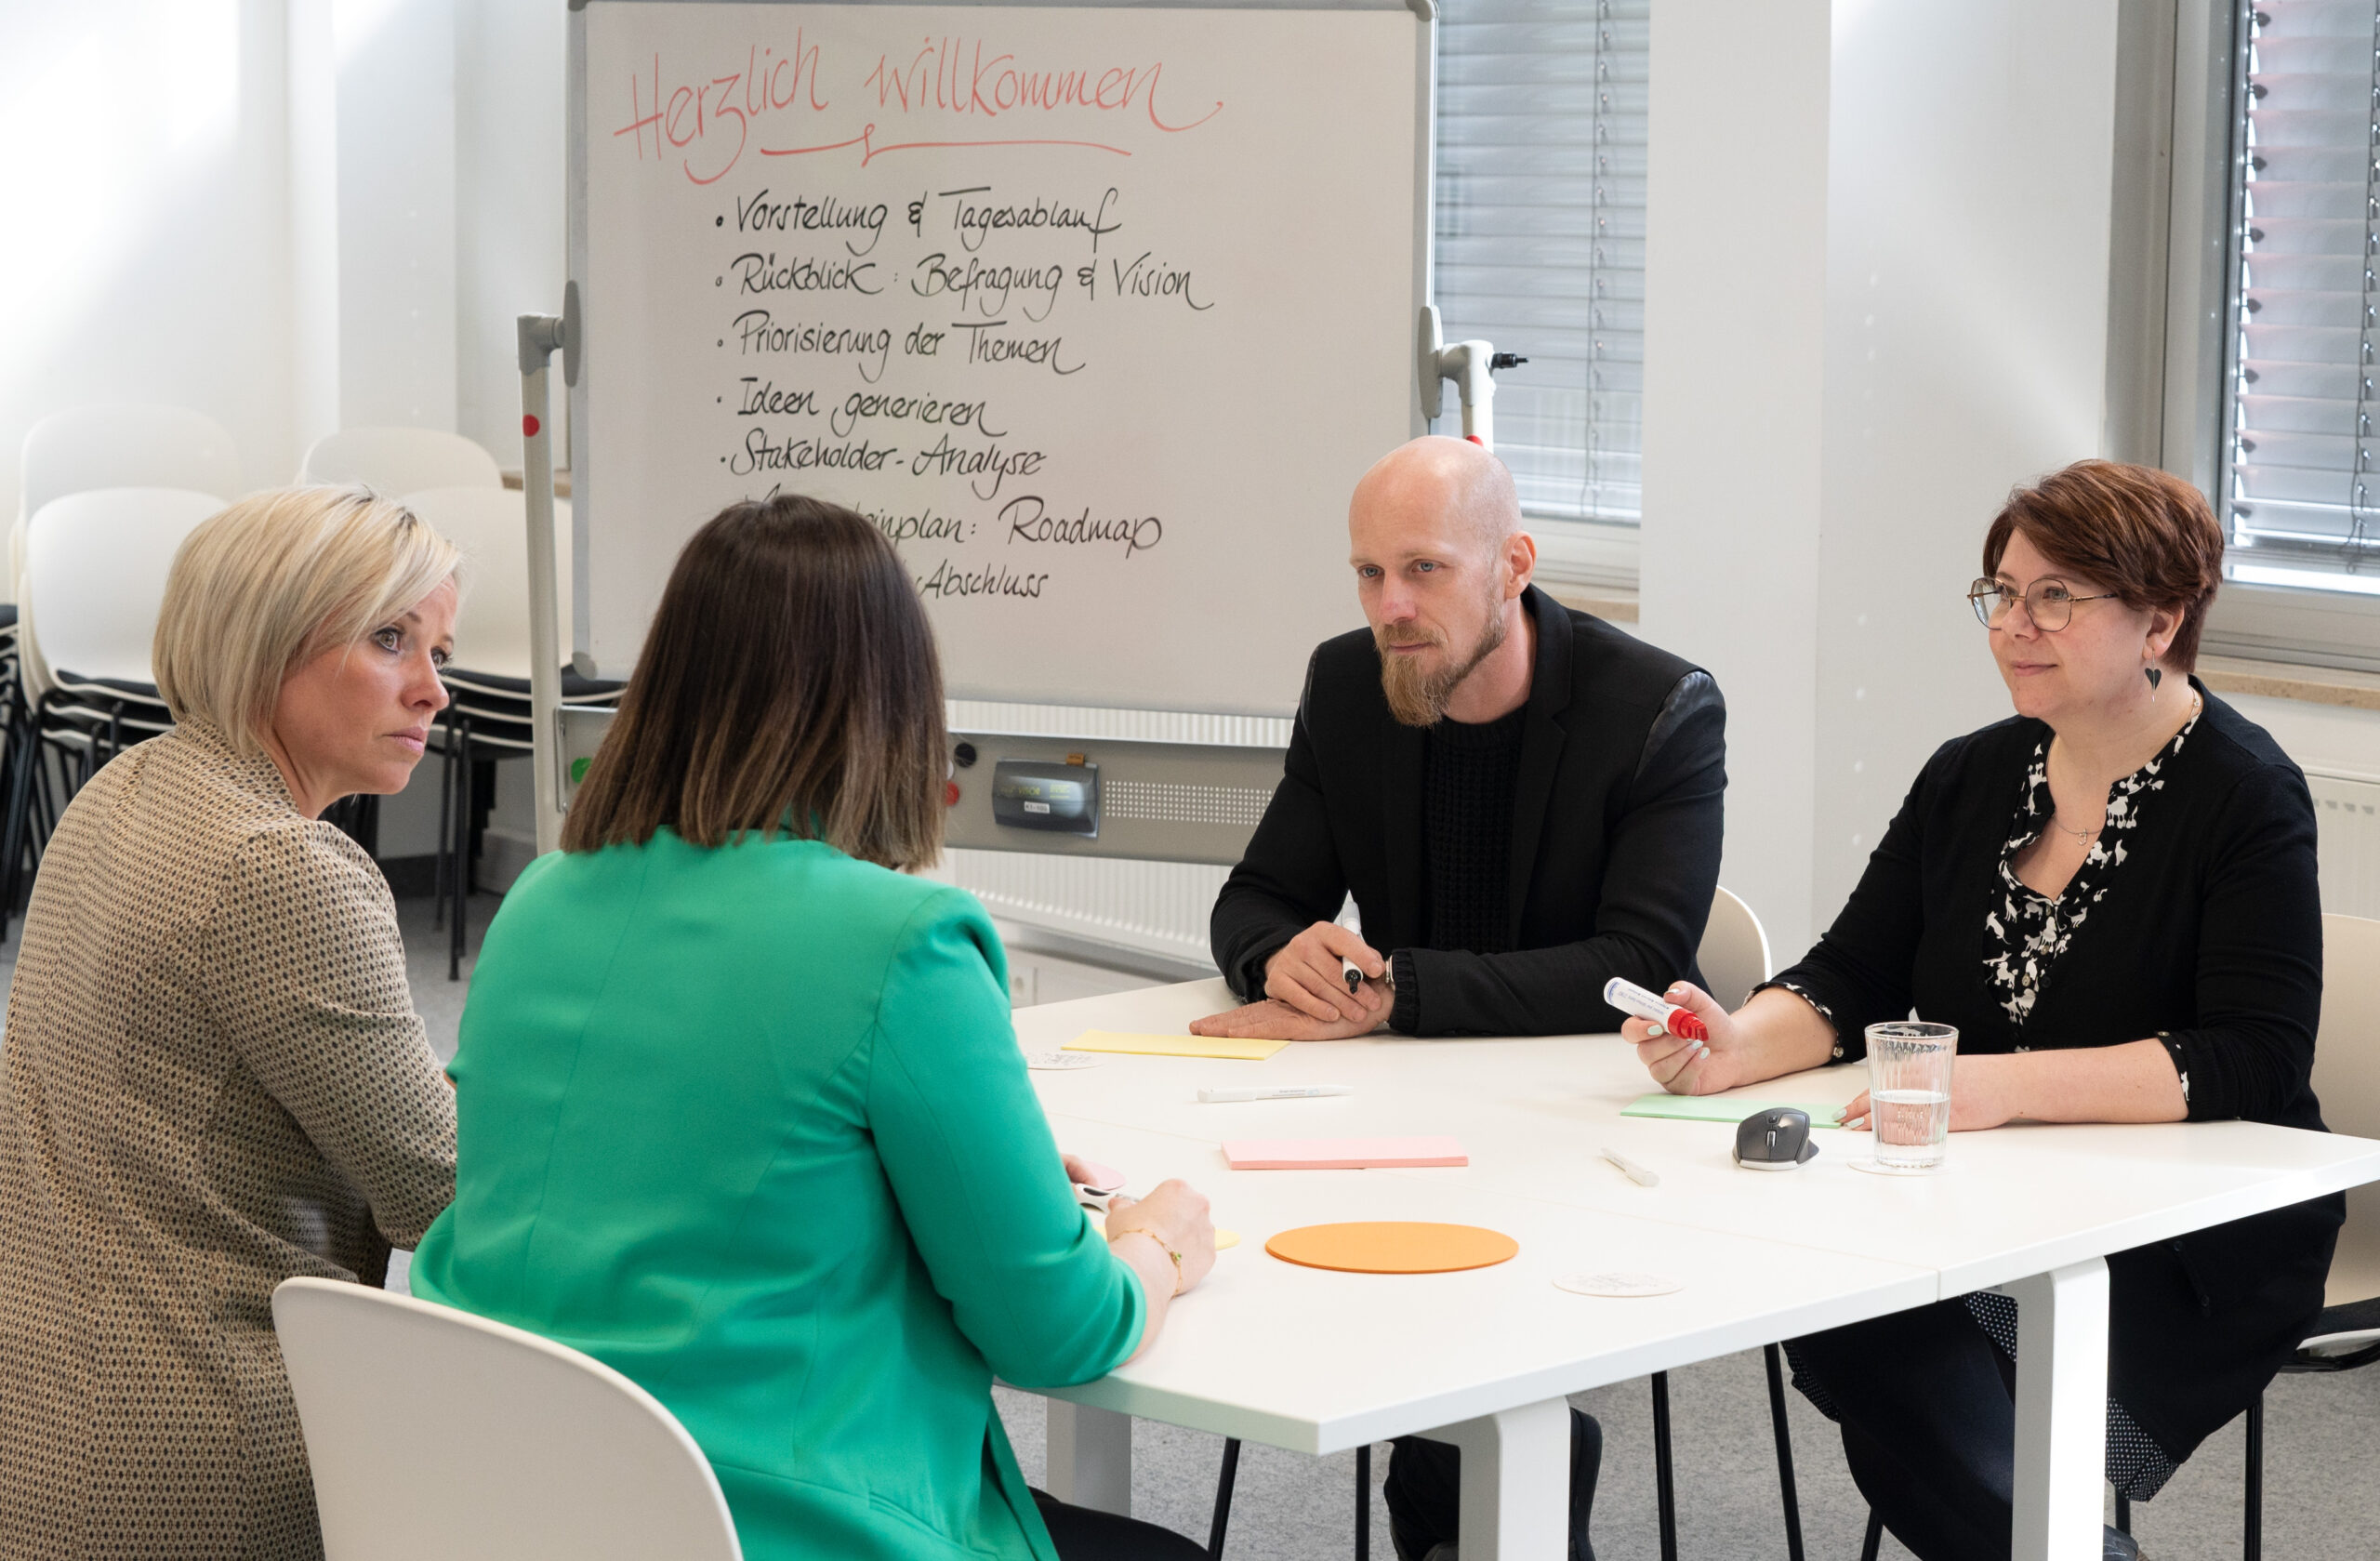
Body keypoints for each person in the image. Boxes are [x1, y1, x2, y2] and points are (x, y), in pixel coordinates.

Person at [410, 495, 1219, 1561]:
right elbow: (1061, 1329)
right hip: (766, 1518)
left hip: (515, 1501)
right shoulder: (904, 940)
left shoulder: (541, 900)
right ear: (892, 701)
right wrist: (1154, 1243)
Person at [1628, 460, 2340, 1561]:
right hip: (1980, 1183)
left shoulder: (2244, 792)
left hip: (2197, 1217)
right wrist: (1732, 1048)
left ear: (2159, 619)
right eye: (2000, 591)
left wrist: (1992, 1088)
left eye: (2056, 595)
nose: (2013, 623)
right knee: (1853, 1326)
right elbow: (1850, 972)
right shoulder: (1969, 774)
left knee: (1888, 1353)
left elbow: (2252, 1054)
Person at [1194, 436, 1728, 1561]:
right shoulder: (1349, 681)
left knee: (1455, 1331)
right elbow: (1255, 895)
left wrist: (1398, 989)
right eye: (1368, 572)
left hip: (1584, 1126)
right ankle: (1476, 1506)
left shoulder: (1657, 705)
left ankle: (1485, 1493)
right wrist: (1276, 953)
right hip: (1399, 1114)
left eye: (1424, 569)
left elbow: (1635, 953)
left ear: (1514, 563)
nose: (1390, 604)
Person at [0, 487, 464, 1560]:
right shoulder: (278, 868)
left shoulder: (126, 784)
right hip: (202, 1451)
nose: (434, 689)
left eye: (436, 645)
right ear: (267, 639)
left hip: (48, 1404)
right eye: (391, 639)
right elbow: (441, 1197)